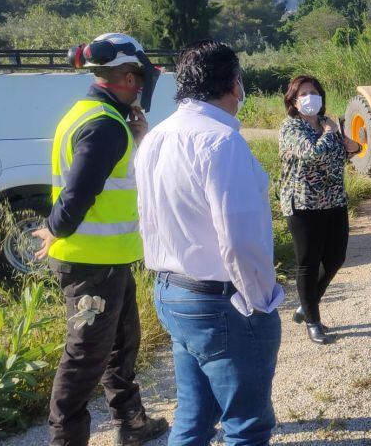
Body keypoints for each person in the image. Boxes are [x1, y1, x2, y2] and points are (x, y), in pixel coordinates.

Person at [135, 40, 283, 445]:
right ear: (236, 85)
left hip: (171, 291)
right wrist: (260, 301)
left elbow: (148, 218)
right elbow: (239, 239)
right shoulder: (221, 142)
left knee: (194, 417)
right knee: (246, 425)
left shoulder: (156, 138)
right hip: (221, 300)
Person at [31, 33, 169, 446]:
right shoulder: (105, 125)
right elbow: (78, 192)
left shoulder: (98, 115)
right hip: (91, 265)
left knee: (122, 345)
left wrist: (140, 139)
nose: (143, 87)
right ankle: (65, 440)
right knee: (84, 358)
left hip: (109, 262)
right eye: (140, 78)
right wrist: (56, 227)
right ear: (126, 76)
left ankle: (132, 423)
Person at [278, 75, 361, 344]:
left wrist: (352, 146)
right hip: (303, 204)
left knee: (336, 258)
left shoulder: (328, 124)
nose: (310, 97)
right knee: (309, 264)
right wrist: (330, 134)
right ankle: (313, 321)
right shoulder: (291, 128)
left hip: (334, 200)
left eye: (314, 92)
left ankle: (307, 301)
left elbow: (341, 154)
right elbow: (312, 154)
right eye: (303, 93)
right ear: (292, 100)